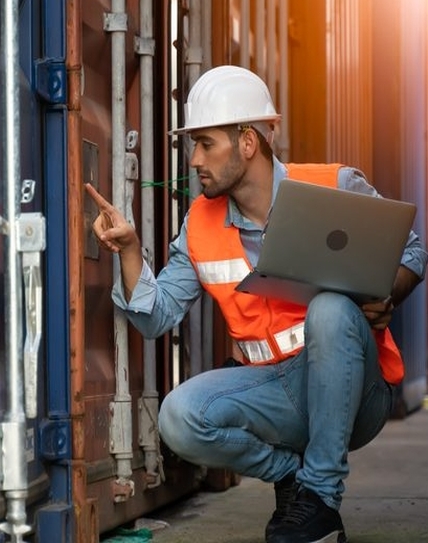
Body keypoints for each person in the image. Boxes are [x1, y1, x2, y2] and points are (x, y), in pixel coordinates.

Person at [86, 65, 427, 543]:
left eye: (206, 143)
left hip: (357, 394)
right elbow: (157, 313)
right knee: (178, 417)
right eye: (193, 145)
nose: (194, 159)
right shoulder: (200, 225)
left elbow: (413, 252)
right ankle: (292, 476)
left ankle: (322, 500)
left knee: (330, 308)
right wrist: (128, 250)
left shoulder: (334, 185)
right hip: (277, 394)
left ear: (247, 142)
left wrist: (385, 292)